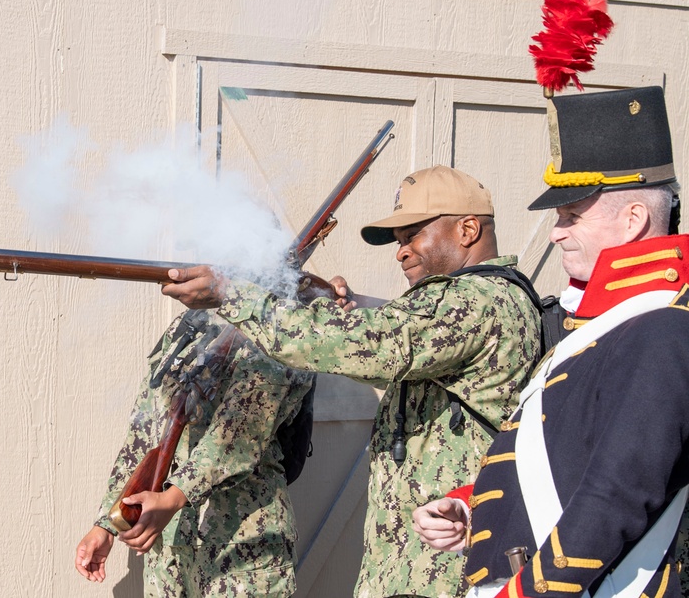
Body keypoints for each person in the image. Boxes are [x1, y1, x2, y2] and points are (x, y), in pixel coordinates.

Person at [161, 165, 543, 598]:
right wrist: (336, 304)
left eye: (413, 236)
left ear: (468, 229)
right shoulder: (464, 302)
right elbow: (393, 331)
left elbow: (370, 344)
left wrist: (233, 294)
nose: (401, 252)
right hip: (417, 565)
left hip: (449, 569)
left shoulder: (478, 300)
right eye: (400, 242)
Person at [412, 85, 689, 598]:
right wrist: (475, 508)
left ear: (633, 221)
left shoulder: (661, 327)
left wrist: (527, 592)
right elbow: (568, 461)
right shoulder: (596, 323)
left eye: (571, 216)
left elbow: (619, 494)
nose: (556, 232)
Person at [74, 309, 314, 597]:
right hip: (169, 548)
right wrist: (110, 522)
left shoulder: (282, 321)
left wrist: (173, 496)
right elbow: (145, 432)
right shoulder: (192, 322)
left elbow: (238, 433)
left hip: (241, 549)